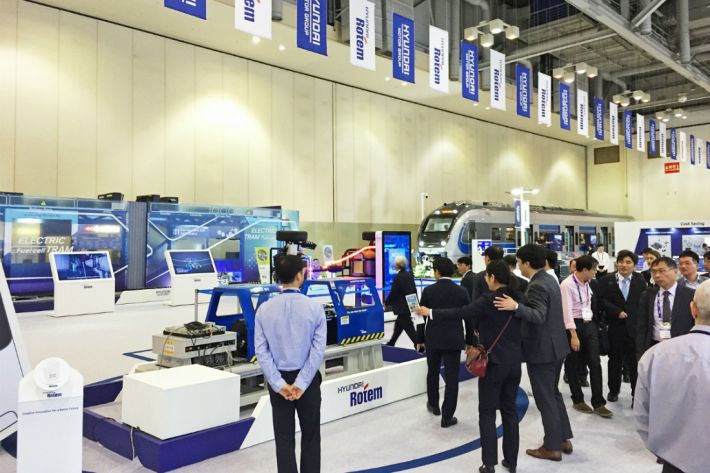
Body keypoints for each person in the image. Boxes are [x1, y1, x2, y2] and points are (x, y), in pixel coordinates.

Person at [417, 260, 523, 473]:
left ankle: (489, 463)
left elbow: (460, 312)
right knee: (509, 411)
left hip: (493, 365)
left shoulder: (488, 300)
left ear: (492, 277)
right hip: (514, 363)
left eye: (487, 276)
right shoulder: (517, 299)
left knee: (487, 413)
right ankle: (511, 462)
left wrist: (431, 312)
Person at [494, 244, 573, 462]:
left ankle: (552, 446)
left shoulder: (537, 285)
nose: (518, 266)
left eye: (520, 262)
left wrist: (515, 307)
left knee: (545, 398)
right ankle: (563, 438)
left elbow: (538, 315)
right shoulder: (549, 279)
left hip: (542, 351)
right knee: (553, 394)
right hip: (556, 347)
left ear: (527, 263)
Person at [254, 255, 327, 473]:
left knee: (283, 438)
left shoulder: (264, 310)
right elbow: (317, 350)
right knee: (311, 435)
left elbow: (261, 352)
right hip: (308, 381)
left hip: (279, 383)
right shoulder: (315, 308)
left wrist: (279, 384)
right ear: (299, 276)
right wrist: (302, 383)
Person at [634, 280, 710, 473]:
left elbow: (642, 416)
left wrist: (665, 451)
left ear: (692, 309)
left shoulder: (655, 355)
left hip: (673, 463)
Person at [415, 257, 472, 428]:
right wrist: (470, 340)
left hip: (433, 339)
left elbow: (421, 317)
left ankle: (434, 405)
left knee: (432, 372)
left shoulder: (428, 291)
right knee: (452, 378)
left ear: (437, 272)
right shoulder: (461, 291)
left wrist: (420, 339)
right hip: (454, 339)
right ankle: (447, 416)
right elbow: (468, 318)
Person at [560, 255, 612, 417]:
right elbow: (566, 311)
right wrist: (573, 334)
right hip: (573, 326)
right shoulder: (567, 284)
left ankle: (599, 402)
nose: (596, 272)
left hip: (589, 324)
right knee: (574, 364)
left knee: (595, 363)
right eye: (594, 269)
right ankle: (578, 399)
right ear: (584, 270)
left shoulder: (590, 283)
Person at [596, 250, 646, 403]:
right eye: (621, 261)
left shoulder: (640, 280)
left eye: (628, 262)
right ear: (616, 263)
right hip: (615, 327)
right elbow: (600, 300)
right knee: (614, 361)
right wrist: (615, 311)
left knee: (635, 363)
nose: (624, 265)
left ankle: (636, 394)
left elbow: (642, 302)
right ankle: (613, 390)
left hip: (634, 328)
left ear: (634, 265)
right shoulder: (606, 280)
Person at [636, 257, 696, 360]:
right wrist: (640, 353)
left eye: (662, 271)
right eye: (653, 271)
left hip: (683, 349)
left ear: (675, 271)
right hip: (654, 347)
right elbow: (642, 326)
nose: (657, 275)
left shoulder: (690, 295)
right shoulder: (647, 295)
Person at [385, 256, 418, 348]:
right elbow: (414, 290)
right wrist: (416, 304)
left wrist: (386, 303)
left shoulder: (398, 277)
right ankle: (392, 342)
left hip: (402, 306)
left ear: (396, 265)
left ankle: (418, 344)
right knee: (399, 325)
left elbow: (394, 292)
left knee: (408, 327)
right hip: (410, 304)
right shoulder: (409, 275)